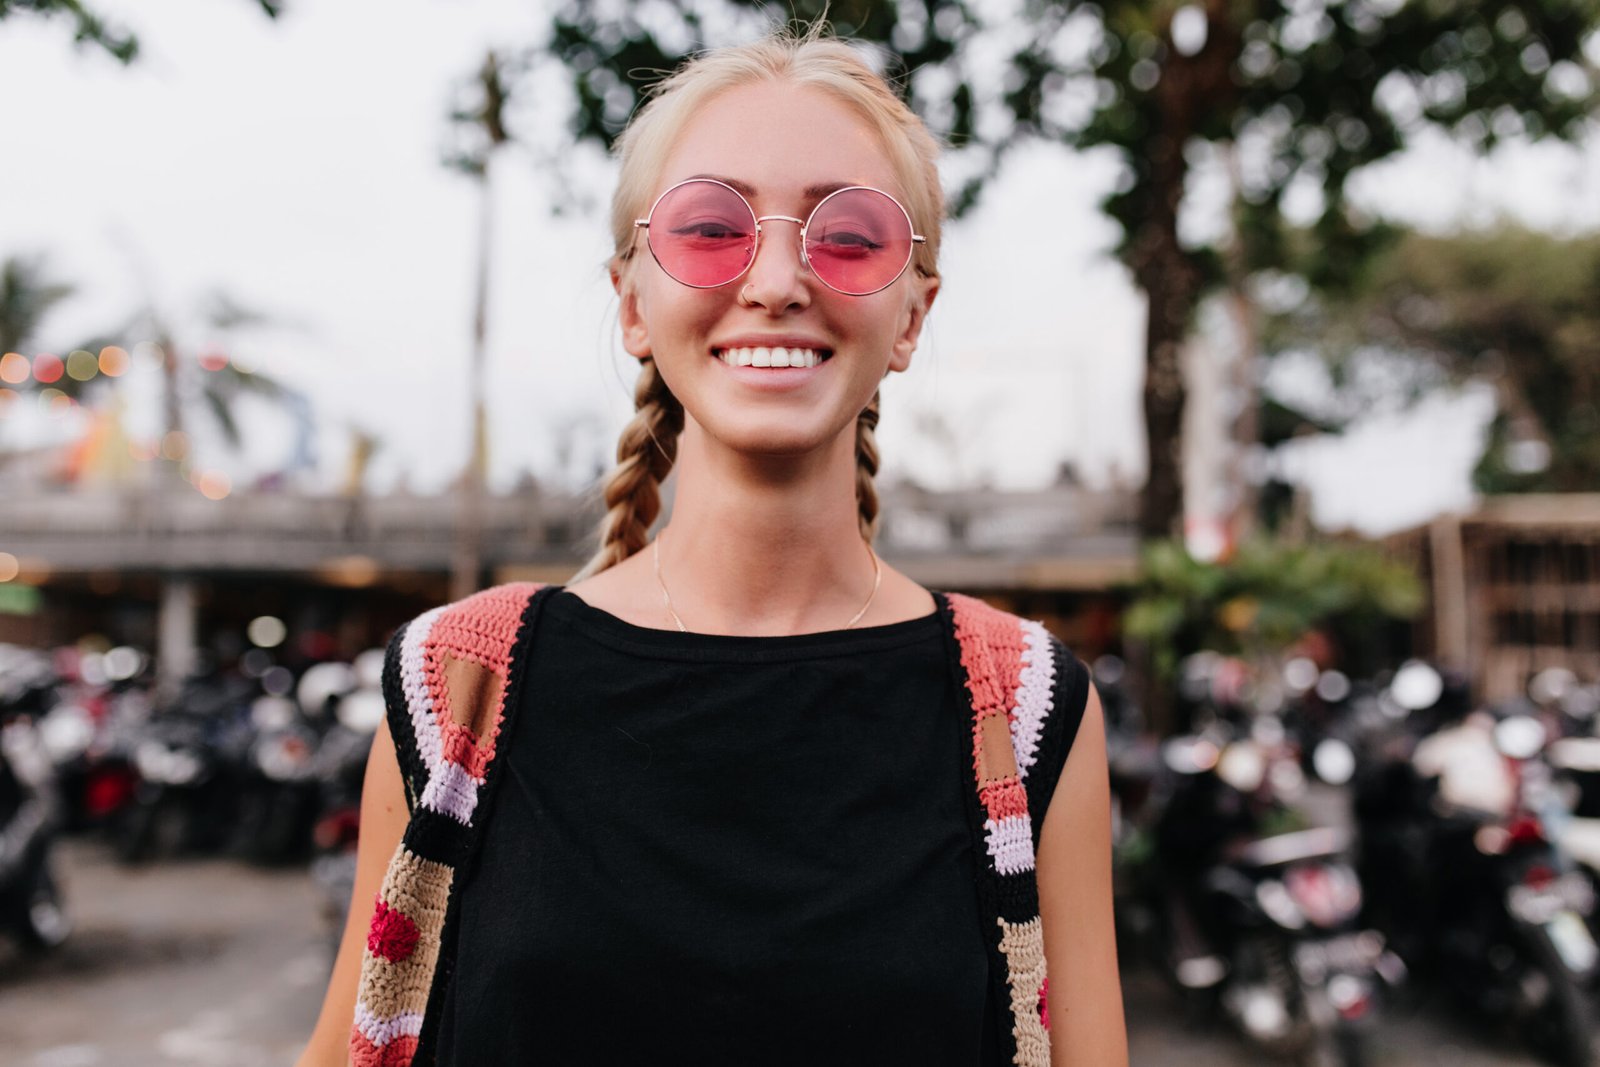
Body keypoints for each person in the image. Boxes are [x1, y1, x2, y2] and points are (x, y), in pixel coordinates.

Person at [299, 19, 1125, 1067]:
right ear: (632, 299)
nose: (778, 278)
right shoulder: (456, 685)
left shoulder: (1024, 703)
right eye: (709, 227)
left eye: (849, 233)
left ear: (912, 314)